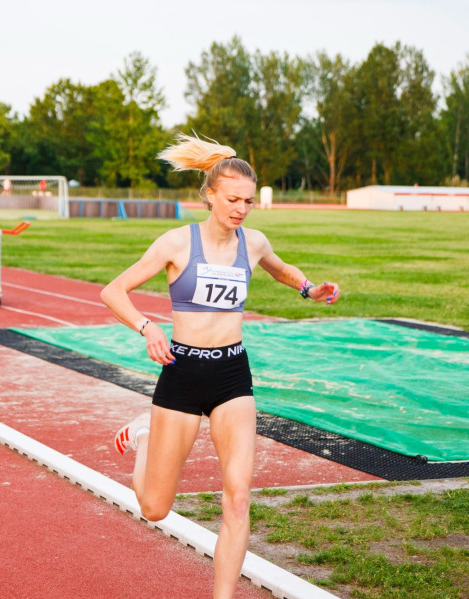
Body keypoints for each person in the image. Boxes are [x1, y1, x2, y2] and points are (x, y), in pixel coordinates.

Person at [100, 134, 340, 598]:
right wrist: (147, 327)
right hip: (182, 373)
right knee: (153, 507)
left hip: (232, 375)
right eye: (233, 199)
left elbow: (279, 267)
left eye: (249, 201)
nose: (241, 209)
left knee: (238, 498)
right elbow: (114, 291)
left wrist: (309, 288)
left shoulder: (253, 242)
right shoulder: (176, 242)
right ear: (210, 195)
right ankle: (145, 437)